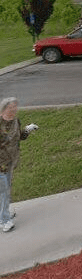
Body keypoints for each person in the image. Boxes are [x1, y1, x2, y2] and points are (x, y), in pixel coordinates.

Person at [0, 97, 38, 232]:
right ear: (4, 109)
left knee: (6, 191)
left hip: (9, 163)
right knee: (3, 192)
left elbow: (18, 137)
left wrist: (28, 130)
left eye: (15, 106)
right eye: (11, 107)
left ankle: (4, 213)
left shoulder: (16, 121)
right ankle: (4, 221)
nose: (14, 109)